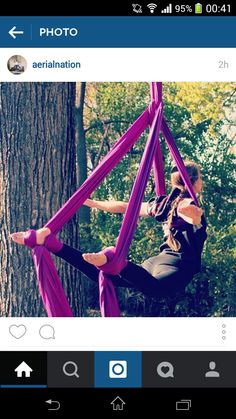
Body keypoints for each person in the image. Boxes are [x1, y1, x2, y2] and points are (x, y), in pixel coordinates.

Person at [10, 160, 207, 299]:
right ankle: (115, 259)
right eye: (201, 179)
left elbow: (124, 207)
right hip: (178, 267)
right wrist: (190, 211)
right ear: (195, 181)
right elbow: (193, 215)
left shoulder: (163, 204)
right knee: (155, 290)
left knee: (101, 275)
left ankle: (52, 243)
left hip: (154, 264)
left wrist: (96, 204)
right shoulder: (186, 204)